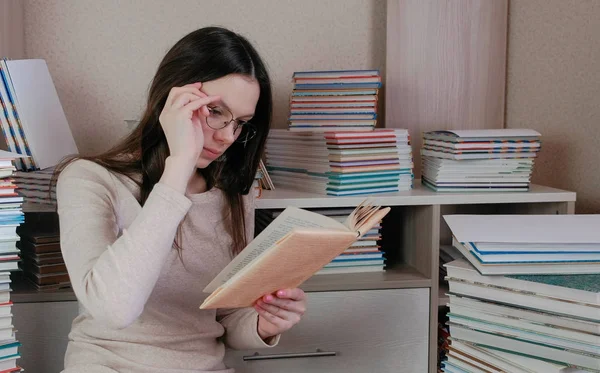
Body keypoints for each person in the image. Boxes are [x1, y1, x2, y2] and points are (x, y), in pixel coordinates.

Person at [53, 26, 307, 373]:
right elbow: (114, 309)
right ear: (171, 98)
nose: (227, 137)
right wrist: (179, 167)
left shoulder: (234, 193)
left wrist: (265, 324)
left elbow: (224, 317)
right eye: (215, 111)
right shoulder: (89, 178)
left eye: (241, 123)